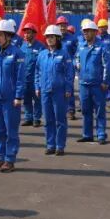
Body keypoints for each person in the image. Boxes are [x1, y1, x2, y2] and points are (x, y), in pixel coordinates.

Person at [0, 19, 26, 173]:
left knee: (11, 131)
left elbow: (20, 78)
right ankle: (0, 158)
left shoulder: (17, 54)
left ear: (8, 36)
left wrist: (18, 96)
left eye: (0, 35)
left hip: (11, 100)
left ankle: (9, 160)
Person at [36, 25, 74, 155]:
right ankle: (50, 145)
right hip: (45, 91)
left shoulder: (64, 54)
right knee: (48, 120)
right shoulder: (42, 55)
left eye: (52, 37)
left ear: (57, 38)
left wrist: (68, 89)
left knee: (60, 120)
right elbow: (37, 72)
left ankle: (60, 146)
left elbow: (69, 73)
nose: (49, 39)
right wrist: (37, 86)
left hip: (60, 92)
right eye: (47, 37)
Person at [76, 19, 110, 143]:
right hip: (84, 84)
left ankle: (101, 135)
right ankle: (87, 135)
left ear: (95, 32)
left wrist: (105, 82)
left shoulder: (102, 46)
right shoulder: (81, 46)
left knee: (100, 111)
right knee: (86, 110)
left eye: (88, 31)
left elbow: (107, 65)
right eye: (84, 31)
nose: (86, 33)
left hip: (98, 85)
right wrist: (77, 67)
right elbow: (76, 59)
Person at [20, 23, 45, 128]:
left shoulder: (40, 47)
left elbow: (42, 64)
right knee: (26, 100)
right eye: (25, 33)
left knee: (37, 99)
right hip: (25, 78)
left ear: (34, 34)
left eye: (28, 33)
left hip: (36, 79)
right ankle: (28, 118)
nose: (26, 35)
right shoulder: (22, 46)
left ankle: (36, 118)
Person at [56, 16, 79, 119]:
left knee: (69, 88)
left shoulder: (72, 39)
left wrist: (74, 63)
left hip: (69, 68)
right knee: (58, 88)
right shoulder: (54, 38)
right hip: (57, 67)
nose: (62, 28)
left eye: (64, 26)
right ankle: (60, 109)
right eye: (60, 26)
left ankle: (71, 110)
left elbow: (77, 53)